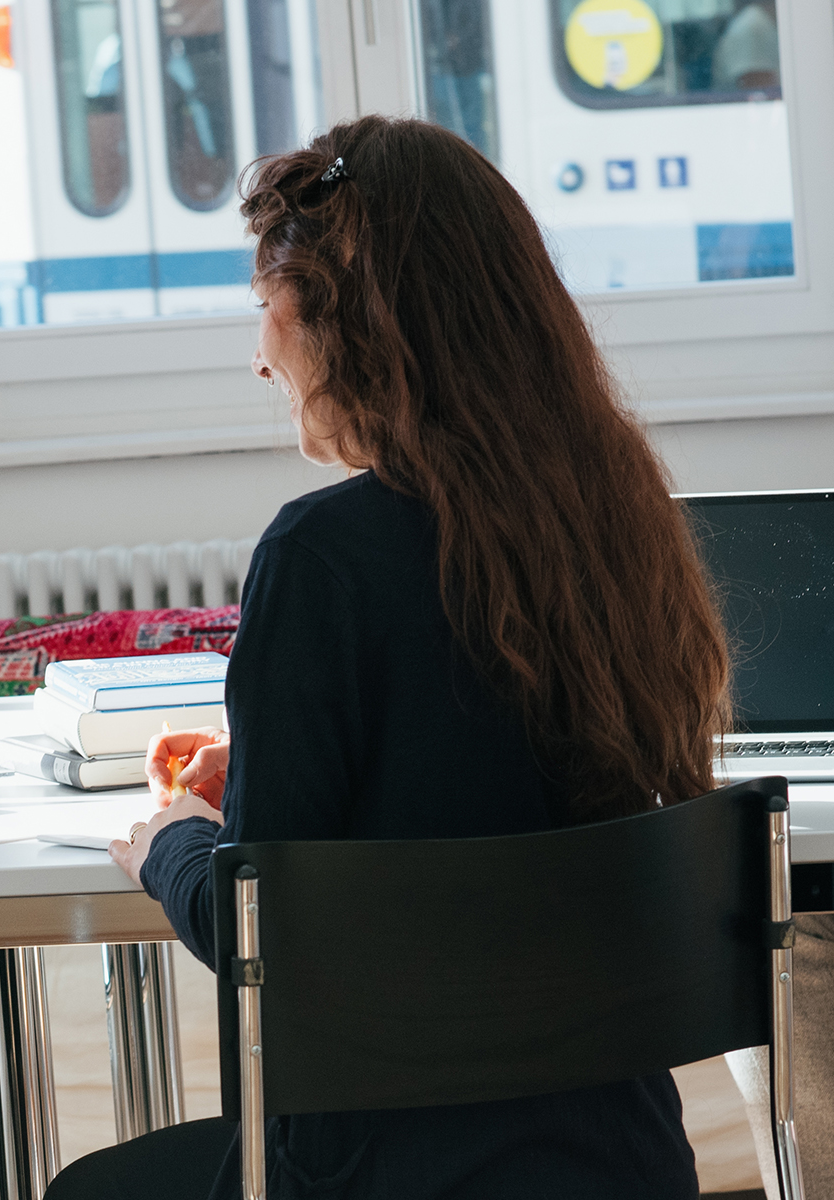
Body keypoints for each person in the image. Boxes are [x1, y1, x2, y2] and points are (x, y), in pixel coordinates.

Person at [47, 116, 733, 1200]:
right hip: (621, 1158)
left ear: (343, 316)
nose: (258, 351)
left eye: (262, 304)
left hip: (378, 1170)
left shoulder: (319, 557)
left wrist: (175, 844)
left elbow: (266, 940)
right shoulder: (617, 516)